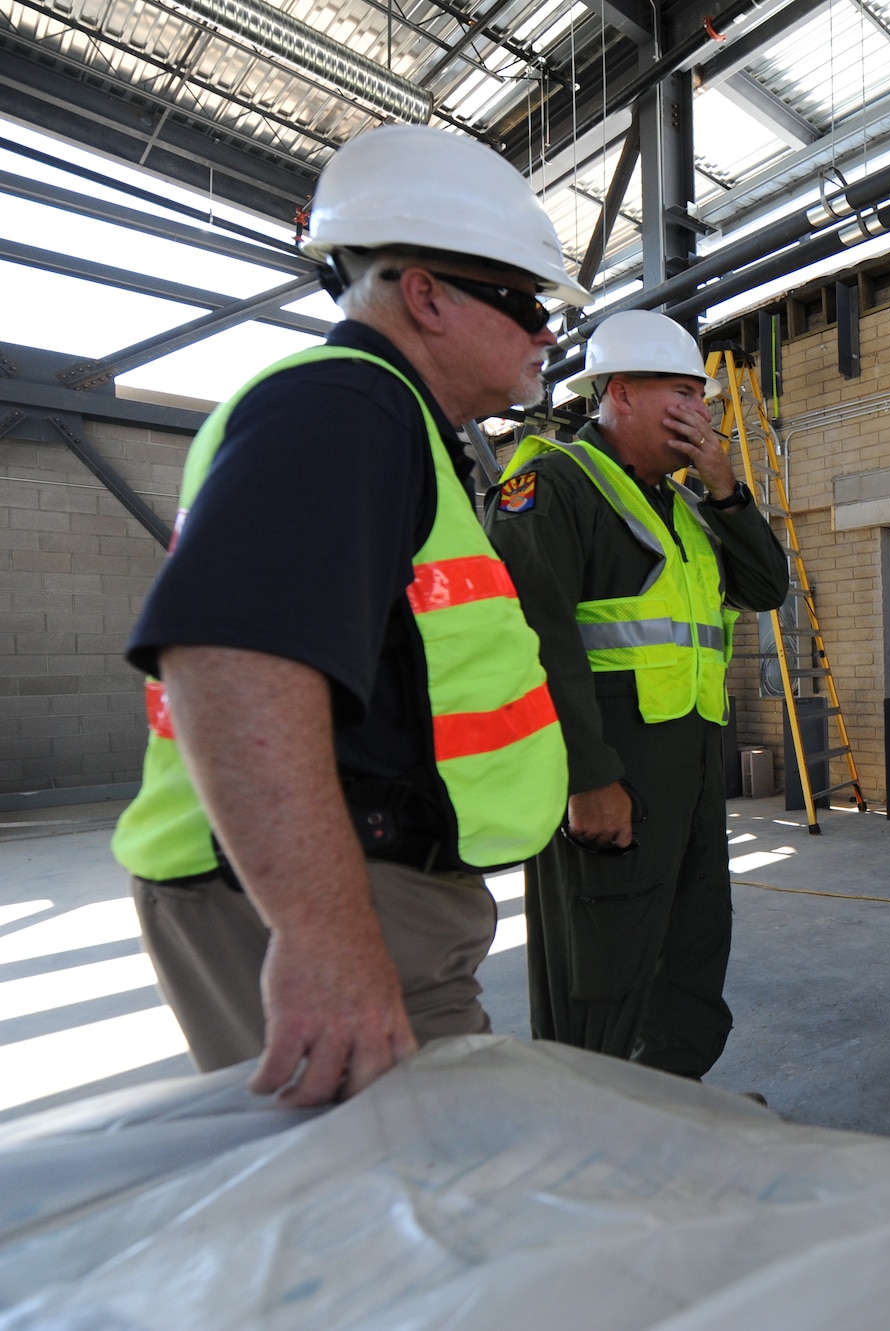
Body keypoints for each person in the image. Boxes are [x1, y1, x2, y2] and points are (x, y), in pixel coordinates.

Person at [110, 125, 585, 1106]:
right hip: (330, 888)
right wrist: (323, 938)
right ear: (426, 295)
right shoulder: (346, 406)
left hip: (373, 884)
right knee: (389, 1209)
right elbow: (228, 652)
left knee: (410, 1197)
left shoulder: (393, 424)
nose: (546, 333)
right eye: (527, 305)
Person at [483, 311, 787, 1076]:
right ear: (618, 392)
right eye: (679, 393)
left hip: (688, 781)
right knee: (602, 967)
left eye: (701, 396)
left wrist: (724, 487)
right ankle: (588, 1132)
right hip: (609, 776)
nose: (699, 410)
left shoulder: (686, 506)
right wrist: (588, 780)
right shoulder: (551, 483)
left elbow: (765, 586)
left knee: (690, 955)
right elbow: (538, 637)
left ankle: (671, 1107)